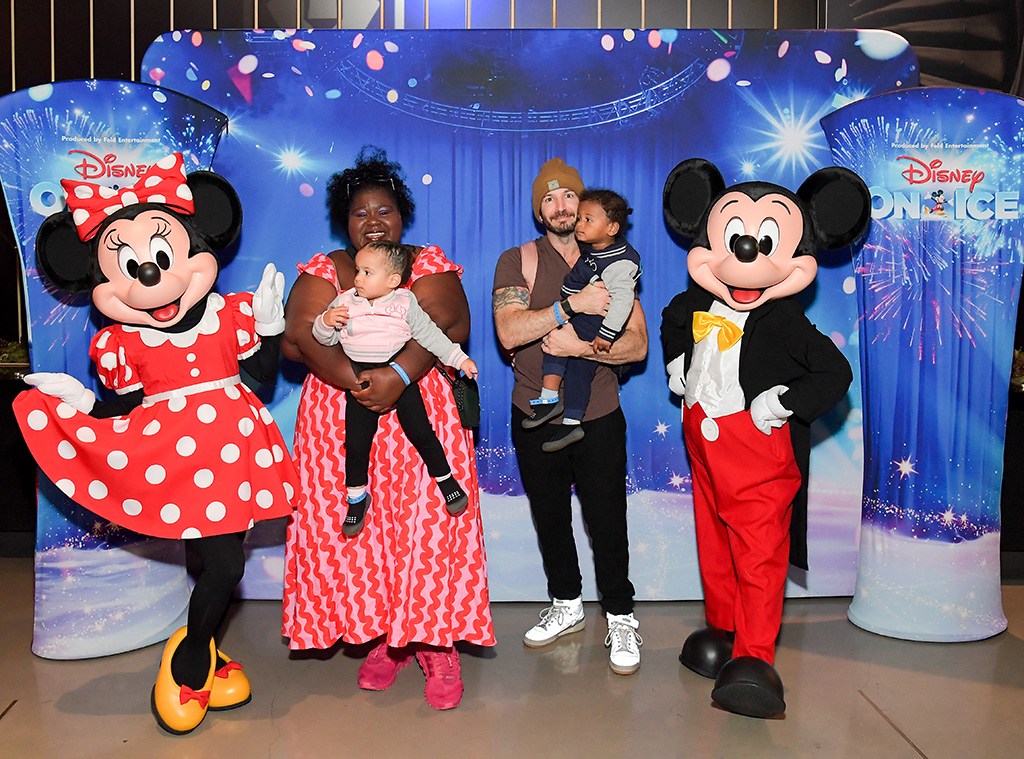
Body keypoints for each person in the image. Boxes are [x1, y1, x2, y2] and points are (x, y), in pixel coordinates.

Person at [281, 146, 494, 711]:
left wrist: (397, 376)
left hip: (421, 409)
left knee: (428, 528)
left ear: (402, 215)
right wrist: (361, 382)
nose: (373, 221)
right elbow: (298, 336)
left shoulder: (424, 263)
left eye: (384, 211)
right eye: (359, 213)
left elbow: (449, 320)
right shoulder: (325, 269)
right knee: (366, 532)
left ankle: (435, 644)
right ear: (343, 221)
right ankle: (386, 639)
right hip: (341, 418)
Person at [492, 157, 648, 675]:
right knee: (551, 518)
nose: (561, 208)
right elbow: (510, 333)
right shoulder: (517, 261)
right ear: (539, 210)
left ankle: (621, 616)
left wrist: (580, 350)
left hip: (600, 413)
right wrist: (569, 307)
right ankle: (567, 604)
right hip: (533, 411)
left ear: (586, 208)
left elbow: (637, 345)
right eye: (550, 199)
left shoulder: (610, 257)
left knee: (607, 521)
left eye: (570, 199)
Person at [312, 239, 479, 533]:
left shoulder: (405, 303)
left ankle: (445, 479)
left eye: (367, 273)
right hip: (360, 377)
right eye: (358, 271)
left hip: (399, 373)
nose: (357, 279)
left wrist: (459, 359)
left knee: (421, 430)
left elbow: (431, 335)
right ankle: (356, 497)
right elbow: (324, 339)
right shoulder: (345, 301)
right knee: (356, 442)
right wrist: (326, 322)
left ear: (393, 281)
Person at [523, 188, 641, 452]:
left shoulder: (620, 262)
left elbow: (622, 302)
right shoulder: (595, 249)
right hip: (584, 318)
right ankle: (561, 410)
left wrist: (606, 335)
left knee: (567, 353)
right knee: (567, 357)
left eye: (588, 219)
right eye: (580, 219)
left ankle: (560, 408)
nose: (580, 224)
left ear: (611, 228)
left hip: (598, 324)